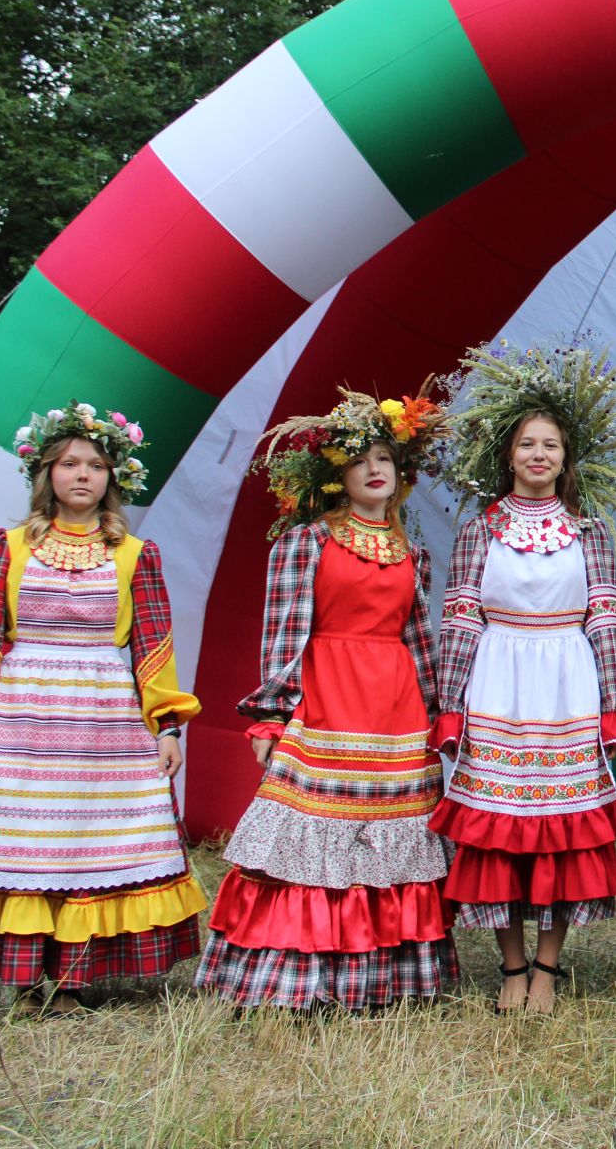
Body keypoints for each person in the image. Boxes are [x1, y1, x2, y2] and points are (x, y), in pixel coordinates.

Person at [0, 402, 203, 1010]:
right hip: (20, 710)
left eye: (96, 465)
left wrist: (167, 728)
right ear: (46, 474)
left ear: (113, 478)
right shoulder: (8, 546)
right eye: (70, 463)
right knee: (25, 838)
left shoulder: (136, 553)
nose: (83, 475)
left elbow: (153, 644)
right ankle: (28, 980)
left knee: (88, 841)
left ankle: (75, 979)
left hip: (104, 720)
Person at [193, 384, 458, 1011]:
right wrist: (271, 718)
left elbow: (420, 644)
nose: (374, 469)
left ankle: (385, 983)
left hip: (395, 715)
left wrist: (438, 716)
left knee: (395, 847)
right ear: (339, 473)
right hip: (327, 702)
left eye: (385, 460)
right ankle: (293, 983)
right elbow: (283, 635)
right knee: (308, 844)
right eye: (360, 459)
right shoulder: (307, 541)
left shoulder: (412, 554)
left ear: (400, 475)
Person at [427, 340, 616, 1013]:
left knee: (563, 827)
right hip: (498, 678)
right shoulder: (478, 530)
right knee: (497, 827)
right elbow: (460, 621)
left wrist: (614, 702)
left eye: (551, 445)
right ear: (508, 455)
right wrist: (450, 705)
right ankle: (511, 967)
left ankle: (548, 971)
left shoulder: (590, 531)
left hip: (565, 684)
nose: (539, 455)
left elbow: (609, 621)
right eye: (528, 443)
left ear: (566, 458)